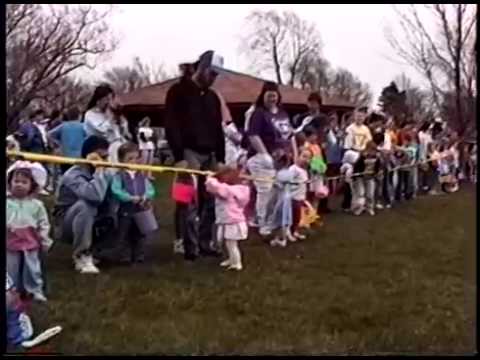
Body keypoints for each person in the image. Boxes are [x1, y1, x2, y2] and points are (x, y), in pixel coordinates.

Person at [165, 50, 226, 260]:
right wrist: (179, 155)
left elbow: (218, 129)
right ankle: (187, 244)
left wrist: (220, 157)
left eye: (216, 76)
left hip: (209, 153)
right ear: (201, 68)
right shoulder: (177, 91)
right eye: (211, 73)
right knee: (186, 200)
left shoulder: (212, 98)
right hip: (188, 152)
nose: (213, 79)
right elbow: (171, 123)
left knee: (209, 201)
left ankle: (204, 242)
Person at [53, 136, 115, 274]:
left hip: (92, 218)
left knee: (119, 204)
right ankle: (81, 255)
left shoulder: (105, 170)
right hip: (65, 222)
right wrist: (99, 171)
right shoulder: (73, 175)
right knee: (86, 205)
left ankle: (109, 250)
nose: (105, 161)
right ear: (90, 156)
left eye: (106, 156)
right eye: (101, 157)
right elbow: (95, 196)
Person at [246, 81, 297, 236]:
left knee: (279, 192)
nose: (272, 99)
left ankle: (274, 221)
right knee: (265, 191)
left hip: (282, 159)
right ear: (263, 96)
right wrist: (264, 154)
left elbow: (290, 135)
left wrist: (294, 154)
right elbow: (253, 135)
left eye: (274, 96)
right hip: (262, 159)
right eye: (269, 96)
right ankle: (262, 223)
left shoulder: (283, 113)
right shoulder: (259, 113)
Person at [6, 161, 52, 302]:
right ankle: (12, 291)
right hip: (10, 241)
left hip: (30, 241)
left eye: (24, 182)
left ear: (32, 186)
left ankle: (34, 290)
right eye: (16, 181)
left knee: (32, 268)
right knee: (10, 268)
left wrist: (44, 239)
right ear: (10, 182)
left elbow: (43, 223)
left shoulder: (37, 205)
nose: (19, 184)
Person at [110, 142, 157, 265]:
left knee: (140, 233)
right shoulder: (119, 176)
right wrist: (129, 197)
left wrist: (145, 196)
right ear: (121, 160)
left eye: (137, 158)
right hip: (125, 210)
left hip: (140, 210)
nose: (134, 161)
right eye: (130, 159)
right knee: (124, 233)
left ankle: (139, 255)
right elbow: (116, 190)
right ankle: (124, 256)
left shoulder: (142, 175)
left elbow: (150, 189)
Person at [205, 167, 250, 271]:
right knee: (226, 242)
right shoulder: (234, 190)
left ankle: (237, 263)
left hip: (232, 222)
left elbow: (215, 187)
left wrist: (210, 178)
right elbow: (214, 189)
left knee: (231, 244)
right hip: (228, 221)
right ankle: (231, 259)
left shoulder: (228, 191)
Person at [47, 106, 87, 174]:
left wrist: (57, 144)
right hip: (79, 158)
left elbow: (49, 135)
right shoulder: (83, 127)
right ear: (79, 116)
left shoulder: (63, 126)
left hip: (65, 157)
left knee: (65, 176)